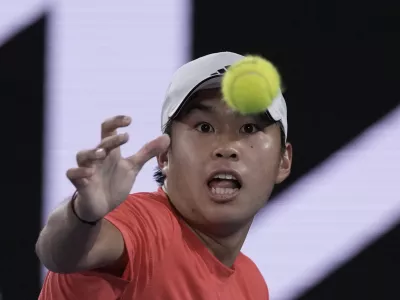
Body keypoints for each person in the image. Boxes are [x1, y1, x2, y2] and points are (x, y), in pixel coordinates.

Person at [36, 51, 292, 300]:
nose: (226, 147)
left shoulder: (252, 284)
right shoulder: (142, 226)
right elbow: (60, 255)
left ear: (283, 160)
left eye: (249, 128)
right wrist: (83, 215)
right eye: (204, 127)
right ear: (165, 155)